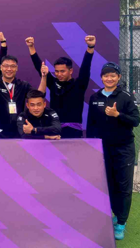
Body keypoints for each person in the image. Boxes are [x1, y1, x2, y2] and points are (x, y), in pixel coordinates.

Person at [87, 62, 139, 241]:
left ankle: (121, 222)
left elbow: (136, 120)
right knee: (108, 183)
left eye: (113, 75)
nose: (109, 78)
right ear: (101, 78)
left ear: (119, 78)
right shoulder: (95, 97)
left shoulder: (125, 97)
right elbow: (91, 124)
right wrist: (91, 145)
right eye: (106, 75)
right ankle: (114, 213)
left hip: (124, 148)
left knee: (123, 186)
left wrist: (118, 115)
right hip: (103, 148)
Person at [26, 35, 96, 138]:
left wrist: (90, 47)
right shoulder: (53, 83)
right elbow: (38, 67)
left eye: (62, 71)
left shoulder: (79, 84)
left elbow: (86, 67)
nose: (59, 74)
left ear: (70, 71)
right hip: (54, 130)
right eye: (57, 71)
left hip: (74, 132)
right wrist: (31, 47)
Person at [0, 55, 47, 138]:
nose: (9, 69)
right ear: (1, 67)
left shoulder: (23, 85)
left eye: (12, 66)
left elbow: (39, 94)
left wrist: (44, 77)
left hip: (16, 131)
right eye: (6, 66)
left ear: (17, 68)